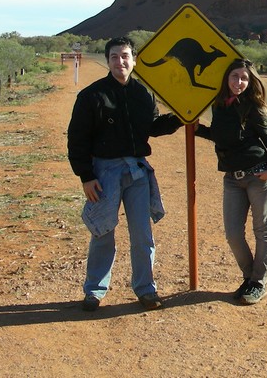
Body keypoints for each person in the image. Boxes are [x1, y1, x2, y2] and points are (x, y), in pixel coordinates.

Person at [67, 36, 182, 312]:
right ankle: (94, 290)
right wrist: (86, 176)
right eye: (115, 56)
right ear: (108, 60)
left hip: (137, 170)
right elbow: (77, 139)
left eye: (126, 56)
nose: (121, 61)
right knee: (103, 230)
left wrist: (179, 119)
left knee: (142, 233)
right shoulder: (92, 96)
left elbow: (152, 127)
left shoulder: (143, 94)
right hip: (104, 172)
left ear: (134, 59)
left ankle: (145, 289)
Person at [196, 58, 267, 305]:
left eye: (244, 78)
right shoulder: (220, 105)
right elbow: (221, 136)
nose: (239, 82)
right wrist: (198, 129)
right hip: (232, 179)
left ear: (250, 80)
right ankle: (248, 277)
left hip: (258, 177)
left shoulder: (253, 107)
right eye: (235, 77)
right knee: (233, 234)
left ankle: (258, 282)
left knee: (262, 230)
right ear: (227, 78)